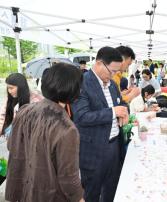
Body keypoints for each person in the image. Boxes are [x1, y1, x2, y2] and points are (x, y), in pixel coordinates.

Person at [5, 63, 84, 202]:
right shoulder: (67, 128)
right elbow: (68, 178)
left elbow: (11, 145)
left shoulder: (25, 110)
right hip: (50, 194)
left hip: (26, 189)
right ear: (74, 90)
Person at [72, 46, 129, 202]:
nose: (113, 76)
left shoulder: (111, 84)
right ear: (98, 63)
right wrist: (113, 112)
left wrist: (125, 111)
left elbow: (122, 103)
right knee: (92, 192)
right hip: (93, 150)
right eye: (111, 71)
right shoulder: (82, 83)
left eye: (117, 72)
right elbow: (82, 116)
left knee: (112, 188)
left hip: (114, 146)